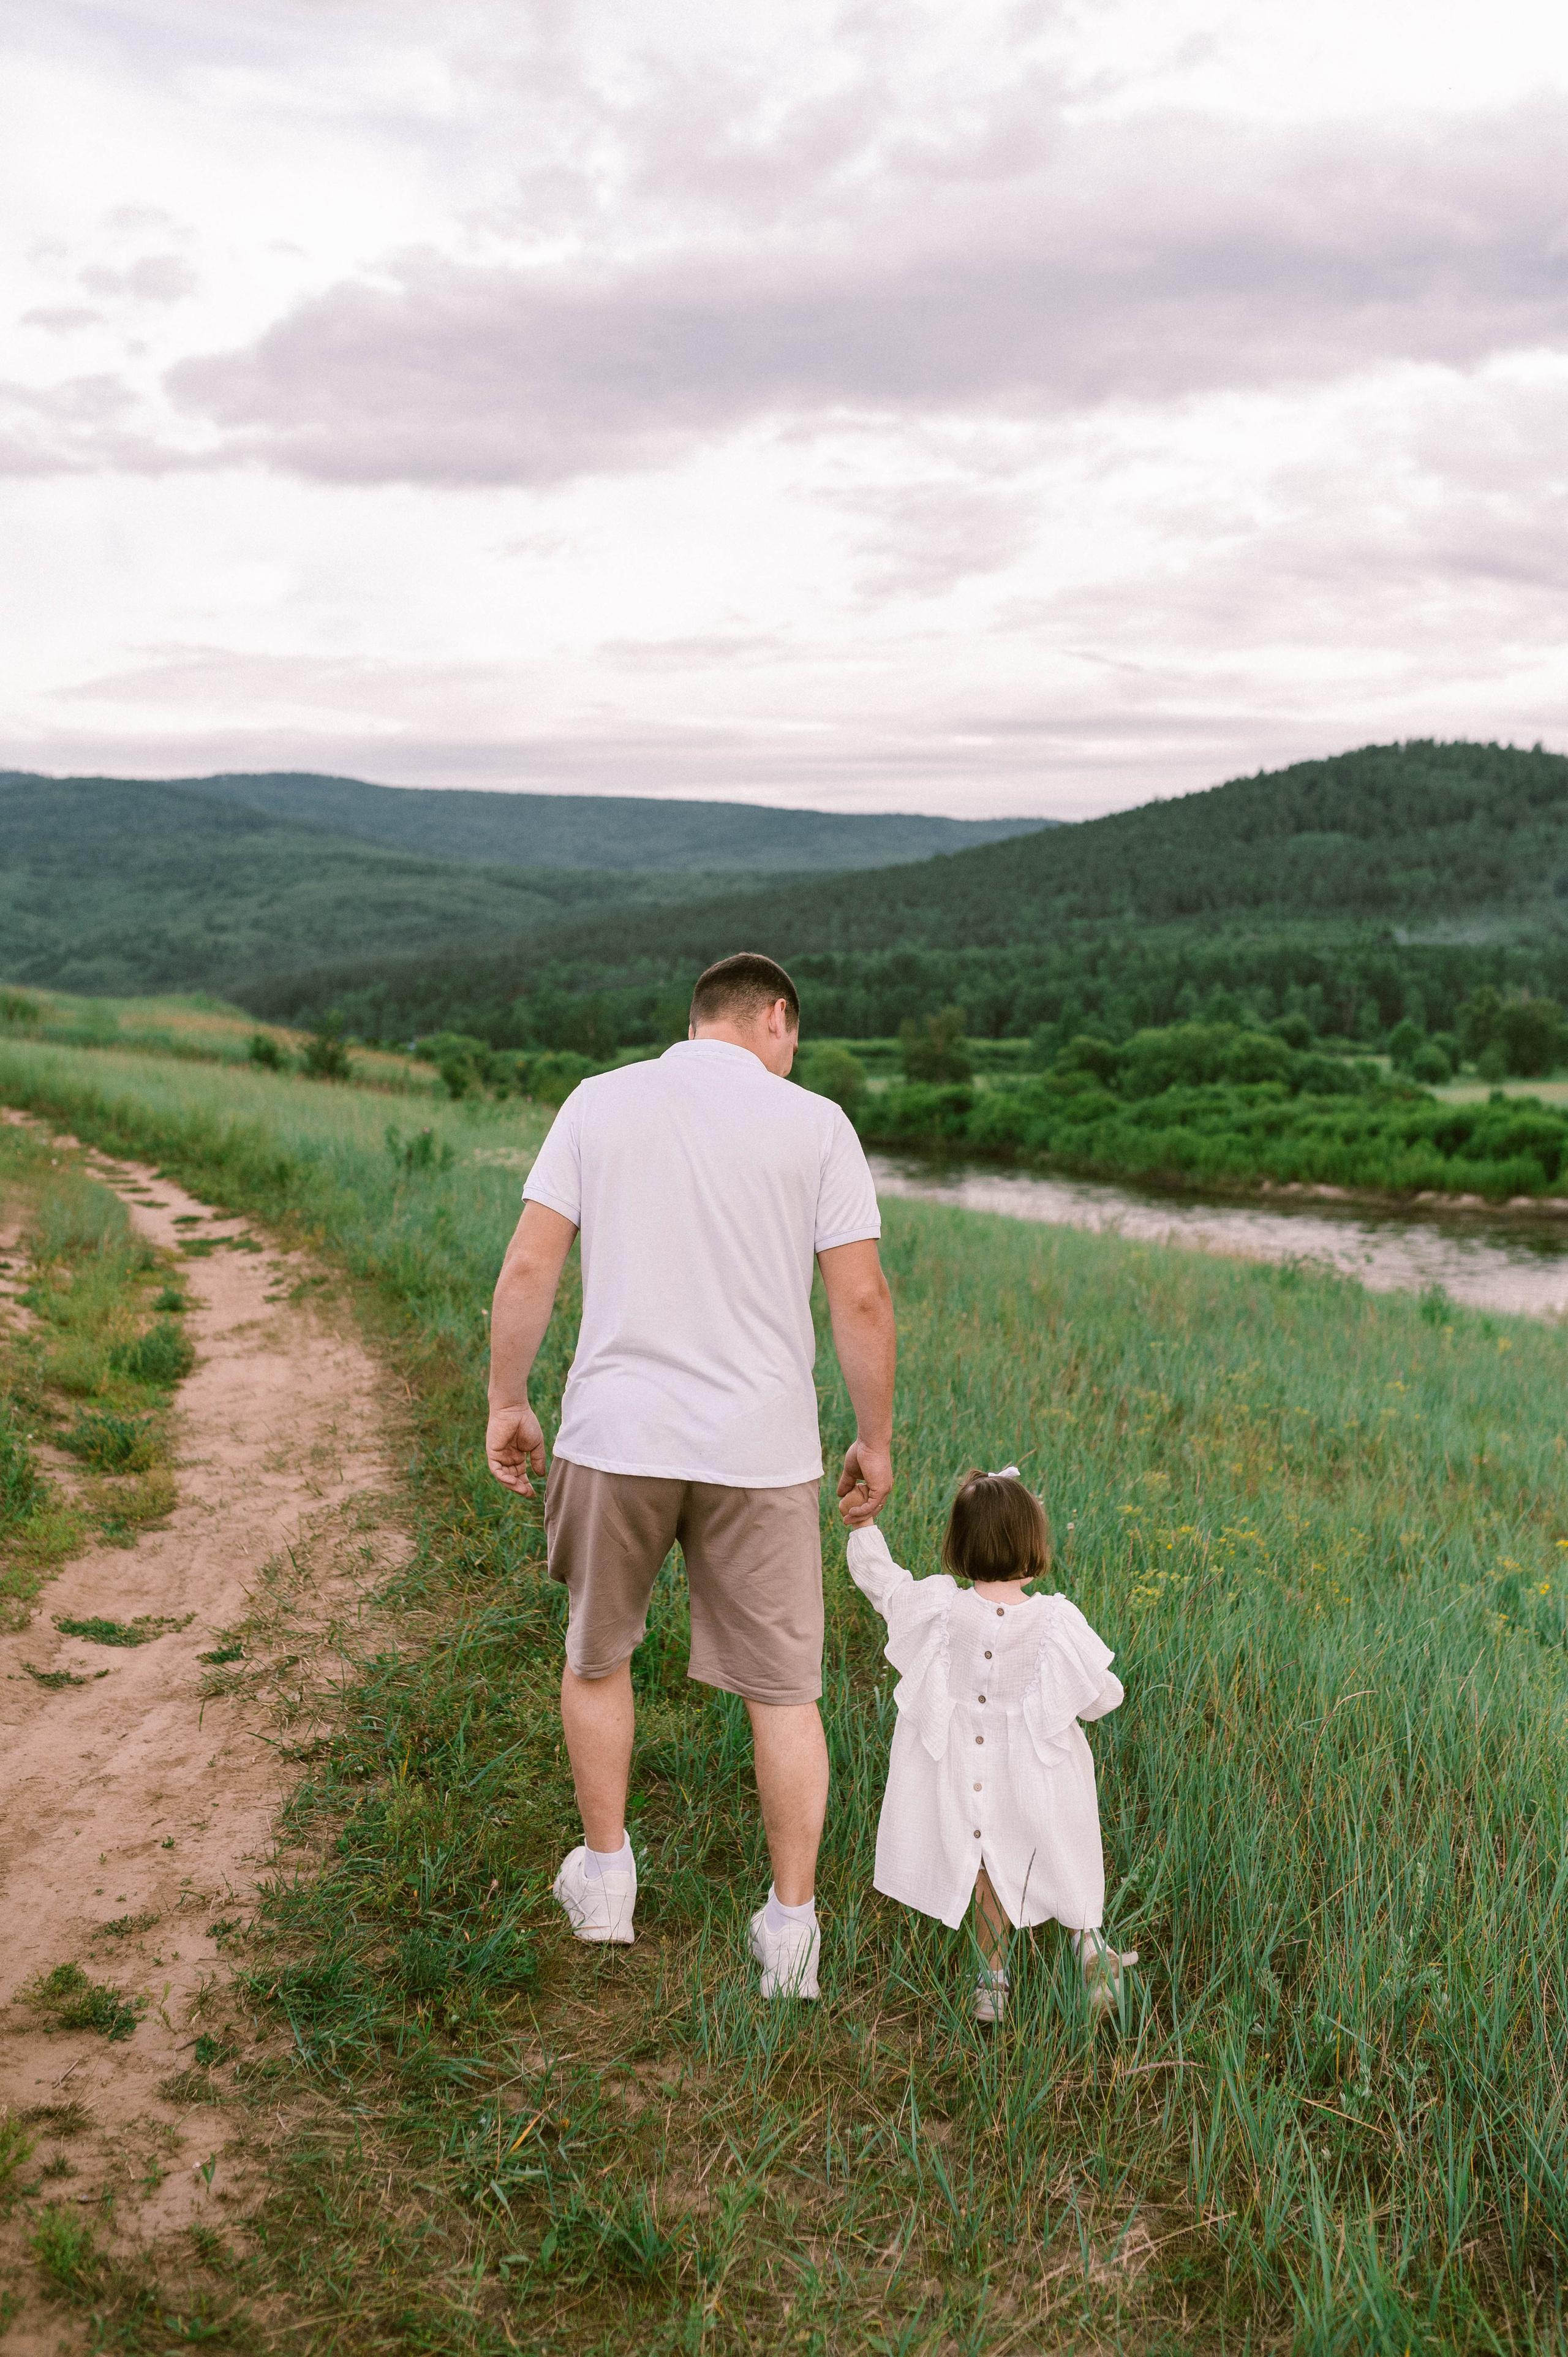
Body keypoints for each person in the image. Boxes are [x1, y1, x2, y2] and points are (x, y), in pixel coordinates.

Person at [486, 951, 895, 2000]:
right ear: (773, 1017)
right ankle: (791, 1932)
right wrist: (874, 1437)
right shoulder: (817, 1125)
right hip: (760, 1451)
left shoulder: (598, 1102)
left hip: (616, 1432)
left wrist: (509, 1398)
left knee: (597, 1654)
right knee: (783, 1690)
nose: (789, 1053)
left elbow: (532, 1264)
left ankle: (609, 1879)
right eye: (791, 1036)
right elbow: (860, 1302)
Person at [846, 1467, 1134, 2022]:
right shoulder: (1055, 1620)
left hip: (964, 1774)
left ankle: (992, 1985)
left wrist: (864, 1527)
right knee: (1059, 1853)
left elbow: (886, 1587)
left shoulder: (942, 1609)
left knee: (986, 1872)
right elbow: (1103, 1696)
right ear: (1032, 1546)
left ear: (960, 1546)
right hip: (1039, 1776)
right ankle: (1088, 1947)